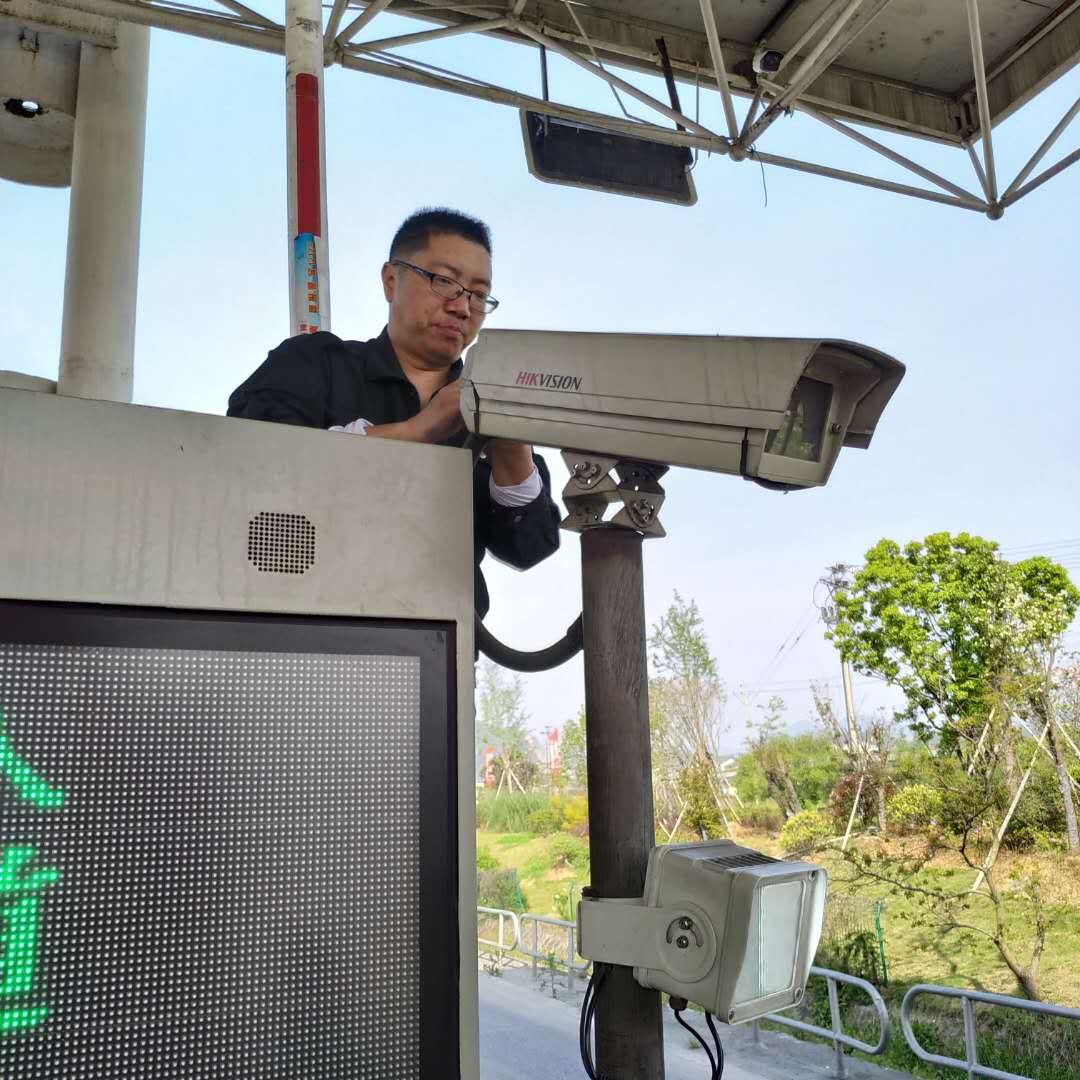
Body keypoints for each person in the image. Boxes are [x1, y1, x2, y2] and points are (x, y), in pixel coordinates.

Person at [227, 207, 561, 620]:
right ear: (391, 280)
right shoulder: (315, 363)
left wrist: (511, 443)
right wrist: (418, 430)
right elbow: (250, 463)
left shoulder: (486, 406)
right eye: (444, 281)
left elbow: (529, 547)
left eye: (478, 295)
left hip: (441, 643)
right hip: (305, 625)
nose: (462, 308)